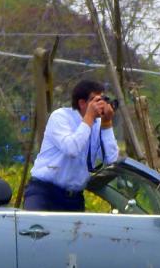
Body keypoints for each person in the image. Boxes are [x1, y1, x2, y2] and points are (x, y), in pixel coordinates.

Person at [24, 79, 120, 211]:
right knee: (35, 229)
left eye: (103, 100)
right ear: (82, 103)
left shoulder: (98, 125)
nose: (100, 105)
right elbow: (71, 149)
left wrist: (107, 124)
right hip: (44, 192)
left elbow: (112, 161)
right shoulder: (60, 117)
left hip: (74, 198)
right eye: (96, 101)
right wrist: (89, 118)